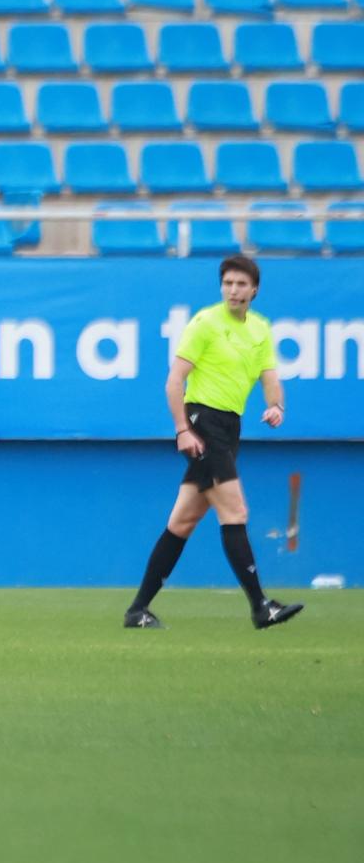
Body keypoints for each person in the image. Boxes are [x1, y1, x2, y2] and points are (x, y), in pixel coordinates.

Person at [124, 255, 303, 631]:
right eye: (228, 283)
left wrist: (276, 406)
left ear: (254, 290)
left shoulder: (260, 328)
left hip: (229, 426)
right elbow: (174, 381)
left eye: (241, 284)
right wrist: (182, 430)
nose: (233, 290)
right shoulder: (205, 323)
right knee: (235, 512)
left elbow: (270, 376)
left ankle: (138, 610)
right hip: (202, 423)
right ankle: (261, 606)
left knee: (183, 521)